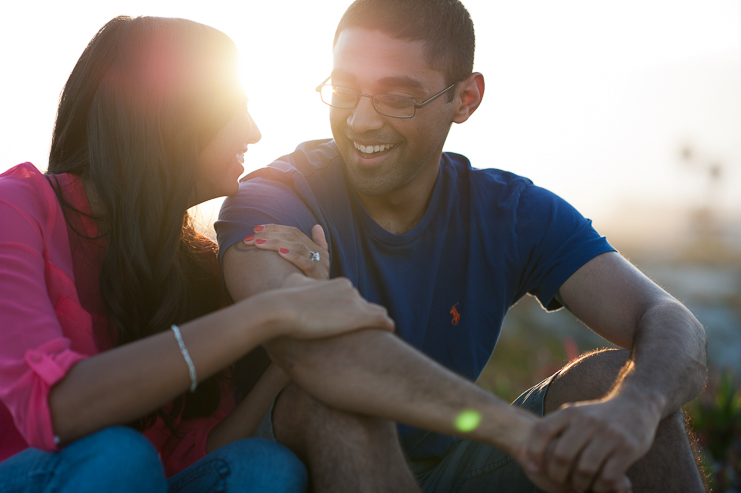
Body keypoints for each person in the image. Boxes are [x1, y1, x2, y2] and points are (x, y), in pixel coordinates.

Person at [215, 0, 708, 492]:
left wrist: (637, 405)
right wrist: (517, 432)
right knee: (337, 405)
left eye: (398, 98)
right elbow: (314, 353)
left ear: (465, 99)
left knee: (613, 381)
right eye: (345, 90)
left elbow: (668, 318)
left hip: (444, 473)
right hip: (297, 466)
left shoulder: (508, 211)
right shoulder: (276, 199)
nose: (360, 121)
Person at [0, 15, 395, 493]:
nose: (254, 130)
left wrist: (291, 333)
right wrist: (266, 312)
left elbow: (198, 454)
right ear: (169, 111)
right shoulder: (15, 210)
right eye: (237, 106)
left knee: (265, 466)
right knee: (120, 458)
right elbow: (53, 407)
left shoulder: (192, 267)